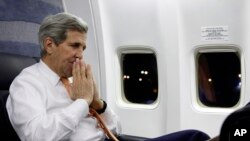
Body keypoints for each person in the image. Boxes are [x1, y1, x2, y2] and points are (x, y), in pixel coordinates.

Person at [6, 12, 210, 141]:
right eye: (74, 45)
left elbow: (116, 129)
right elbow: (36, 136)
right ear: (49, 45)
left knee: (195, 136)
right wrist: (82, 103)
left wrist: (97, 104)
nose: (80, 54)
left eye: (83, 47)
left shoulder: (74, 81)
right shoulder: (27, 84)